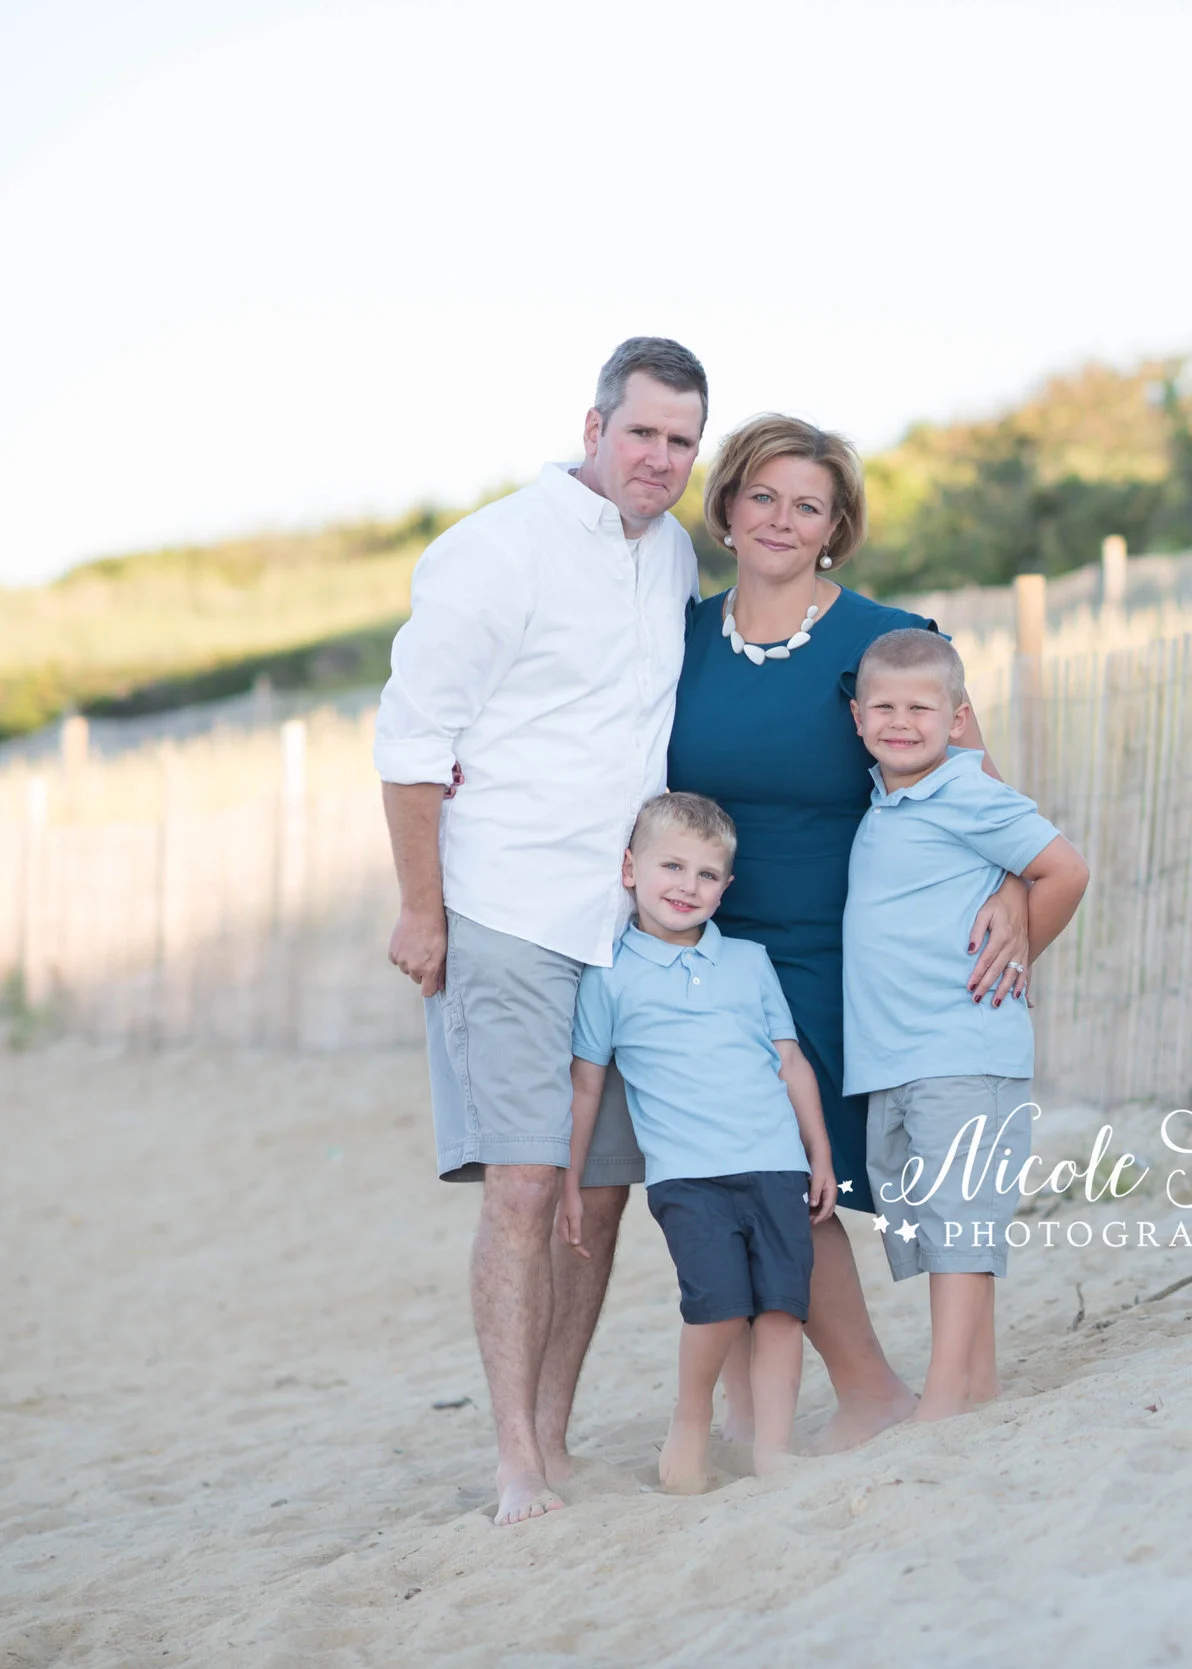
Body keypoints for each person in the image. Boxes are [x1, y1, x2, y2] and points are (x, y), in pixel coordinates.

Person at [374, 337, 705, 1526]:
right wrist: (423, 909)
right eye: (642, 433)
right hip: (504, 908)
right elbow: (410, 744)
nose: (659, 458)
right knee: (524, 1180)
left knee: (601, 1189)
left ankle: (555, 1434)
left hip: (619, 926)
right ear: (593, 425)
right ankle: (513, 1460)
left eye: (680, 441)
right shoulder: (492, 551)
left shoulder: (670, 559)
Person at [666, 413, 1033, 1451]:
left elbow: (975, 781)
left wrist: (1009, 886)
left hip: (873, 942)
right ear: (729, 507)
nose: (783, 520)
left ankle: (969, 1375)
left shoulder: (882, 636)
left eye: (809, 506)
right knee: (773, 1166)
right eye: (764, 497)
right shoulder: (680, 638)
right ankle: (868, 1387)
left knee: (924, 1148)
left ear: (836, 527)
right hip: (728, 949)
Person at [559, 792, 835, 1493]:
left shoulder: (748, 960)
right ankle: (689, 1421)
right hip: (689, 1173)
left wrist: (819, 1152)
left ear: (727, 886)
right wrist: (570, 1178)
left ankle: (772, 1446)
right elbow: (588, 1083)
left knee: (781, 1307)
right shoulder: (609, 973)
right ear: (630, 868)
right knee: (716, 1306)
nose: (688, 885)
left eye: (707, 874)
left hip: (775, 1161)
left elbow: (791, 1061)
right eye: (671, 866)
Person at [844, 629, 1088, 1419]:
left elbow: (1066, 867)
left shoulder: (965, 790)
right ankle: (977, 1384)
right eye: (883, 706)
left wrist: (1019, 957)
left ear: (959, 720)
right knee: (940, 1216)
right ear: (856, 718)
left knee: (958, 1218)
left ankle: (943, 1397)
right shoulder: (888, 799)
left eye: (922, 706)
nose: (901, 721)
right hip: (901, 1053)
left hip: (961, 1046)